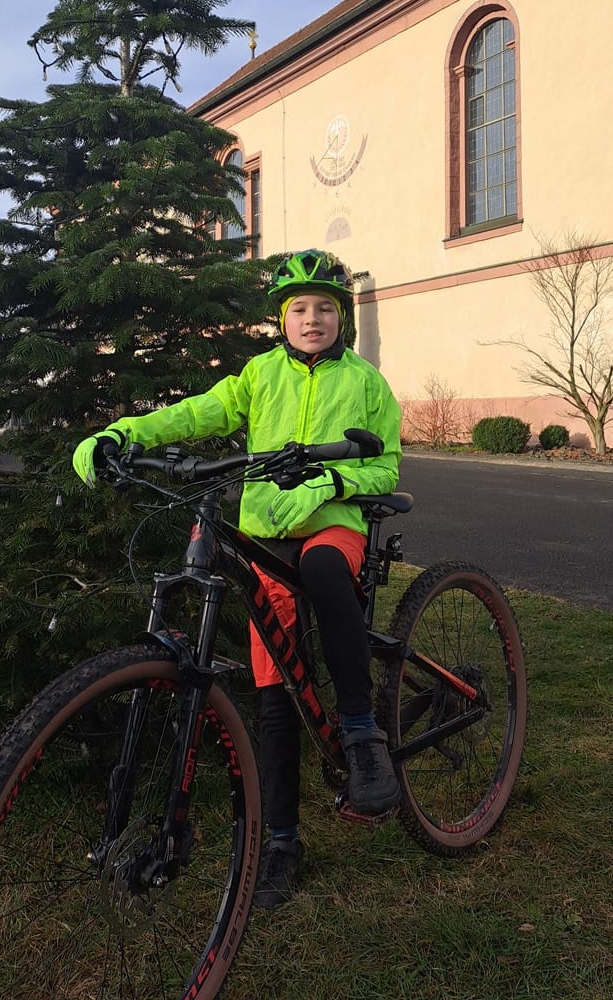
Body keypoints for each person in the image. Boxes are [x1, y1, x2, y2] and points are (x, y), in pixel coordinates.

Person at [72, 249, 402, 909]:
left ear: (342, 318)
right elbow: (196, 413)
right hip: (265, 534)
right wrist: (122, 433)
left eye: (325, 309)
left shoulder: (366, 382)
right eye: (299, 309)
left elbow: (386, 464)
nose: (312, 319)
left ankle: (362, 732)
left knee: (323, 569)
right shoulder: (260, 374)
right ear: (282, 319)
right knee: (275, 693)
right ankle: (281, 841)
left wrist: (332, 480)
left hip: (332, 522)